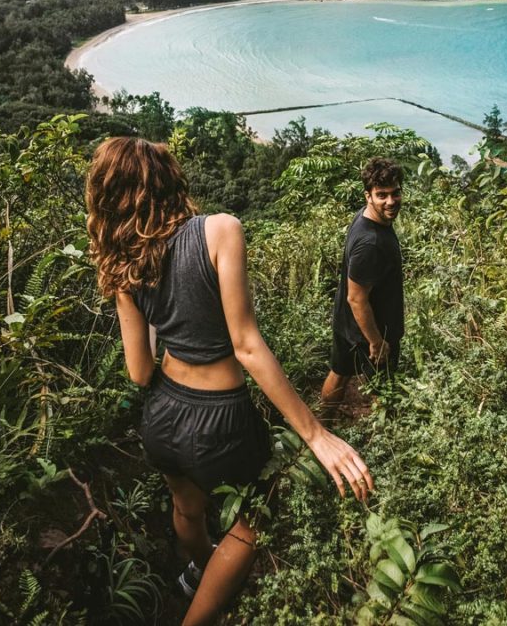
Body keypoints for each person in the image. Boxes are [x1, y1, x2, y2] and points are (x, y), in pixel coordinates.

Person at [86, 137, 373, 626]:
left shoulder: (120, 264)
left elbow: (139, 372)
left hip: (161, 419)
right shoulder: (220, 230)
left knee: (187, 506)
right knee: (258, 515)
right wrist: (316, 434)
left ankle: (199, 569)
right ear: (170, 179)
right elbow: (246, 345)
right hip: (220, 419)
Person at [320, 157, 404, 413]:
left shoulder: (365, 218)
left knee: (340, 372)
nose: (390, 202)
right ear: (368, 195)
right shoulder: (370, 243)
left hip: (347, 323)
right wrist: (377, 342)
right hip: (371, 330)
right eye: (381, 195)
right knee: (383, 388)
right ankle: (383, 443)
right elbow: (357, 298)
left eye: (395, 193)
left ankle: (324, 420)